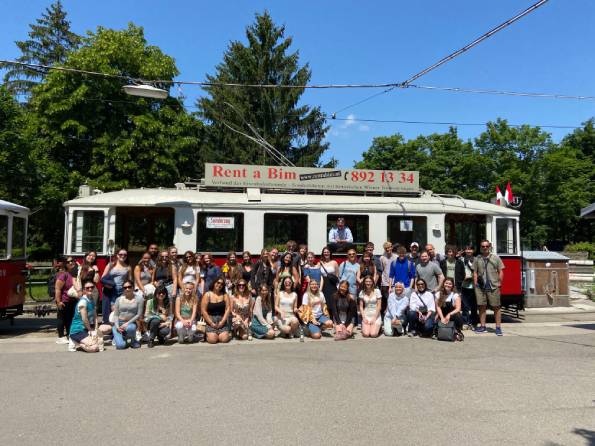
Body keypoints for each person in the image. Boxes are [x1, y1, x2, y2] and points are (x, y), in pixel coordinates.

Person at [473, 240, 505, 336]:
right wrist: (475, 284)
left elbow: (501, 271)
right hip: (480, 287)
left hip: (493, 286)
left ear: (489, 247)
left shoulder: (496, 258)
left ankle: (498, 328)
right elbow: (475, 272)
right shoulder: (477, 258)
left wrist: (499, 283)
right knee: (481, 307)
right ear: (480, 247)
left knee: (496, 307)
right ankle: (483, 326)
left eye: (487, 246)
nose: (485, 248)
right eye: (483, 246)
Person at [69, 281, 106, 352]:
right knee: (95, 348)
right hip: (77, 330)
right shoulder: (83, 302)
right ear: (84, 290)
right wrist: (91, 330)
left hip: (86, 328)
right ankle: (77, 342)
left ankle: (86, 340)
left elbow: (95, 316)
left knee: (107, 329)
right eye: (87, 288)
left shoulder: (91, 300)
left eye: (92, 287)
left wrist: (96, 328)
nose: (90, 289)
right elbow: (84, 319)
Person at [101, 249, 132, 325]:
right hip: (110, 291)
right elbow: (103, 278)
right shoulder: (111, 265)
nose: (123, 256)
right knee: (109, 310)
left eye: (125, 255)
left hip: (122, 291)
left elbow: (130, 281)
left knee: (121, 309)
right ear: (117, 255)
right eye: (121, 254)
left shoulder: (128, 267)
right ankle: (109, 327)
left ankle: (119, 327)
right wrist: (108, 285)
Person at [112, 280, 143, 349]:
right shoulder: (118, 299)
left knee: (131, 328)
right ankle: (121, 338)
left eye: (129, 287)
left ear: (133, 287)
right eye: (125, 287)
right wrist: (117, 327)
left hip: (130, 323)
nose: (127, 289)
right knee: (120, 346)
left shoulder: (139, 299)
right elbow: (116, 315)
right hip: (119, 323)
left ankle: (133, 340)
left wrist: (127, 323)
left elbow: (138, 314)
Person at [55, 256, 79, 345]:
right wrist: (59, 301)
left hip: (73, 300)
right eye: (68, 262)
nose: (71, 263)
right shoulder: (64, 274)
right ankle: (60, 337)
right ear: (65, 264)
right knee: (62, 319)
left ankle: (69, 334)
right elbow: (58, 289)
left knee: (70, 319)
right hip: (64, 300)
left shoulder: (75, 274)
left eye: (72, 261)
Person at [201, 276, 231, 344]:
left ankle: (221, 334)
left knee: (224, 339)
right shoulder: (207, 294)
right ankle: (208, 335)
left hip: (221, 319)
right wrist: (211, 323)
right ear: (214, 283)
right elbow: (203, 310)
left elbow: (228, 309)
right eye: (218, 282)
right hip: (210, 319)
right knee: (213, 340)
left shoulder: (225, 295)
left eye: (221, 284)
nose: (219, 285)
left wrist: (222, 322)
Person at [134, 252, 156, 342]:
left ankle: (146, 330)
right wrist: (143, 290)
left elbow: (152, 281)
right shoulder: (138, 267)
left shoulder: (152, 268)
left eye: (148, 258)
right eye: (145, 258)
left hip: (148, 290)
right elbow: (138, 280)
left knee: (147, 312)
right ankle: (138, 331)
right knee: (140, 312)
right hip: (139, 290)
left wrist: (151, 288)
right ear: (142, 258)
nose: (146, 260)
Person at [457, 245, 479, 328]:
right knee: (465, 306)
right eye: (466, 249)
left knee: (474, 306)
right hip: (464, 285)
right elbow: (459, 272)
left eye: (470, 250)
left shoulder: (477, 260)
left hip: (474, 286)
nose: (468, 251)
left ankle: (474, 323)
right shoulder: (461, 260)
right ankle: (465, 322)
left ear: (473, 251)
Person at [319, 246, 340, 315]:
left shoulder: (334, 262)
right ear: (322, 253)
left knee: (333, 302)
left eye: (327, 252)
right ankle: (327, 318)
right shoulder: (320, 263)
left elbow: (337, 275)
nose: (326, 253)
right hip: (324, 284)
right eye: (324, 252)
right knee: (325, 302)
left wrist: (337, 286)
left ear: (330, 253)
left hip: (332, 284)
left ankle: (334, 319)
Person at [379, 241, 398, 310]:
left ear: (392, 247)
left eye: (389, 247)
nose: (388, 249)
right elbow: (382, 269)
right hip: (385, 282)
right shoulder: (382, 258)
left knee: (393, 299)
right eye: (386, 248)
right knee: (385, 300)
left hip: (394, 282)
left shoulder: (396, 257)